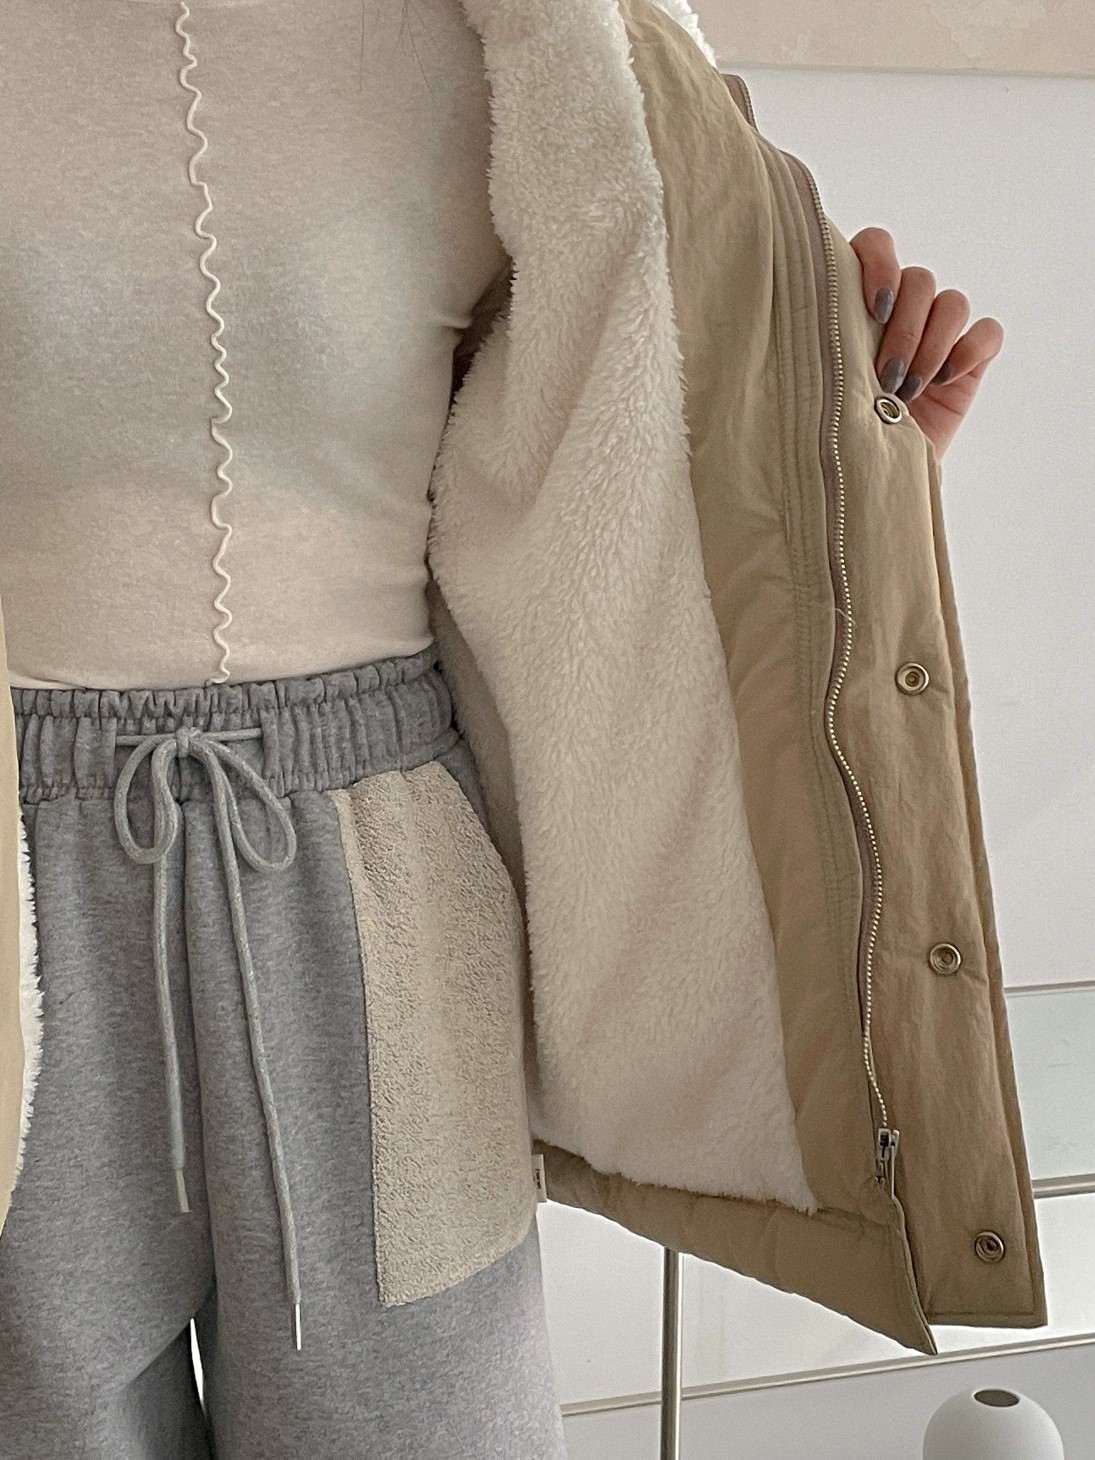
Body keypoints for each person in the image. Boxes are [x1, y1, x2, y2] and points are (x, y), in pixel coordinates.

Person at [0, 0, 1044, 1454]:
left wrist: (826, 469)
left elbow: (595, 459)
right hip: (17, 887)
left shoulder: (508, 38)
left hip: (379, 876)